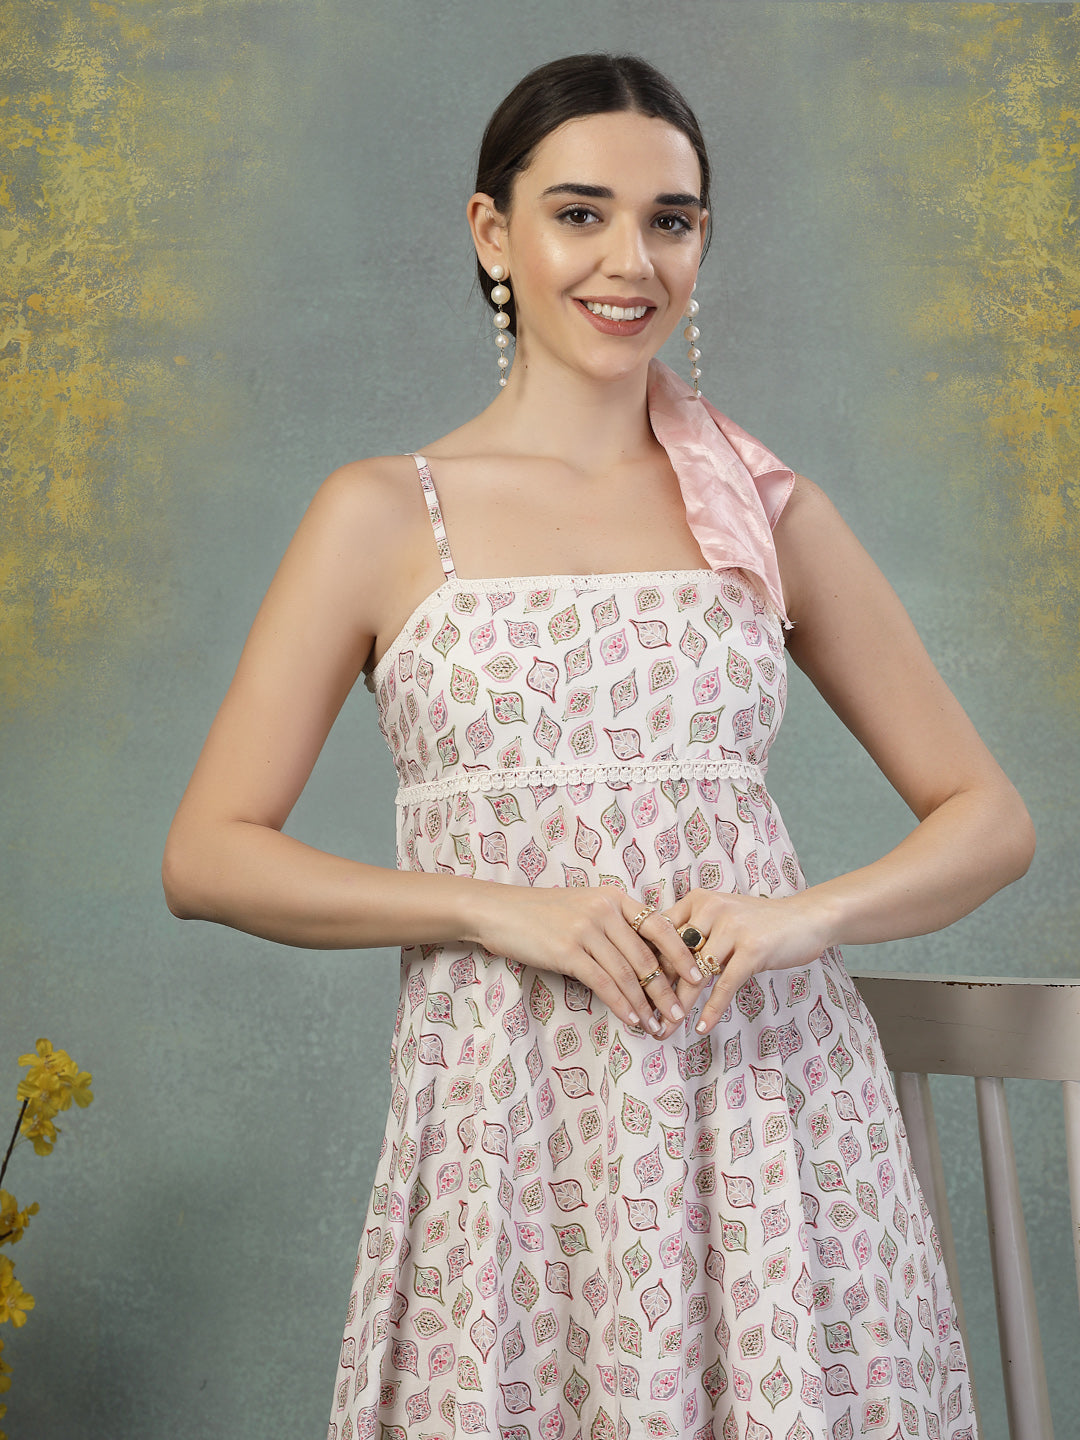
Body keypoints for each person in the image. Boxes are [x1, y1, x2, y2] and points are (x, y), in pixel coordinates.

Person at [163, 53, 1033, 1440]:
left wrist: (805, 918)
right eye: (581, 213)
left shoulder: (764, 509)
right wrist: (490, 909)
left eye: (670, 220)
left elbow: (988, 815)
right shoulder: (380, 515)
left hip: (769, 1121)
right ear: (492, 233)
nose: (631, 261)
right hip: (506, 1128)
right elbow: (209, 856)